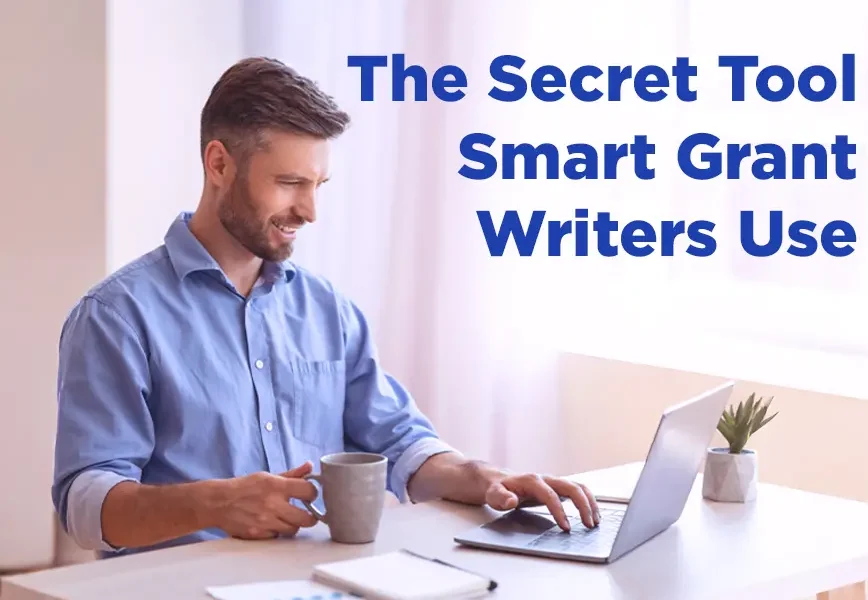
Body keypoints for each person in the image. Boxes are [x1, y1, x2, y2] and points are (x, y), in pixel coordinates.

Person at [51, 57, 600, 557]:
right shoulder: (116, 316)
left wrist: (484, 478)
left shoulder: (327, 309)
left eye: (318, 184)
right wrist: (212, 503)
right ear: (218, 164)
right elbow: (85, 504)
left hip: (321, 582)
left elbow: (400, 442)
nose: (309, 210)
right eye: (289, 183)